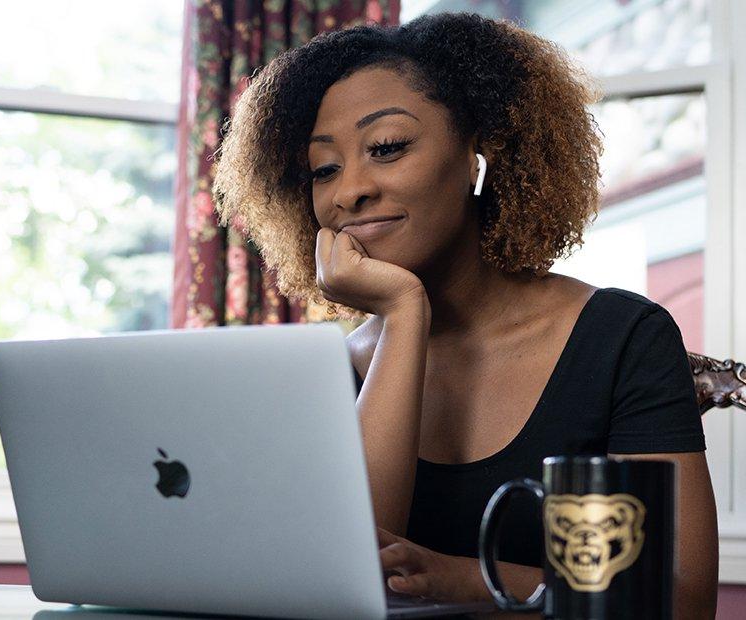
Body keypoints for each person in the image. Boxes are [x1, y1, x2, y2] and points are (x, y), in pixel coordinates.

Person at [210, 11, 718, 618]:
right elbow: (346, 587)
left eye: (388, 148)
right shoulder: (326, 372)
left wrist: (463, 578)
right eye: (324, 169)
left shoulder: (620, 339)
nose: (349, 192)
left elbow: (682, 601)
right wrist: (403, 313)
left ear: (478, 153)